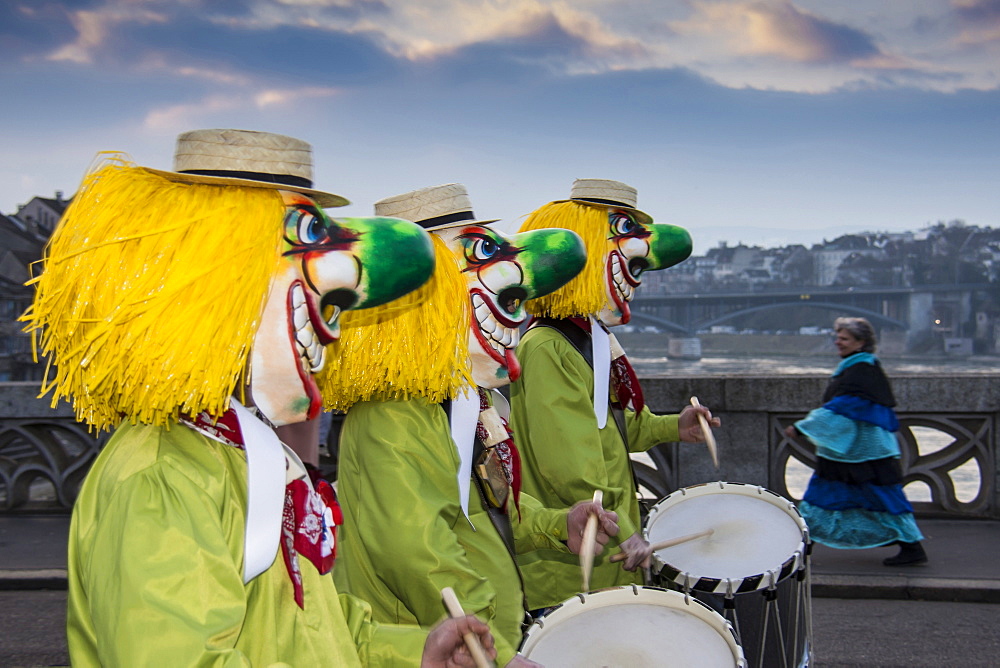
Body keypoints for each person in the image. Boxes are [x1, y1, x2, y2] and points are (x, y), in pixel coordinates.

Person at [24, 129, 496, 666]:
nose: (332, 325)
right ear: (219, 280)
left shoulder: (238, 442)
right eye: (301, 240)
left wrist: (419, 651)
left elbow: (313, 628)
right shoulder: (160, 477)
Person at [319, 183, 618, 666]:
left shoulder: (464, 399)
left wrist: (555, 524)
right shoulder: (391, 418)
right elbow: (420, 558)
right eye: (478, 255)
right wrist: (495, 654)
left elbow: (489, 510)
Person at [507, 178, 720, 611]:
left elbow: (615, 426)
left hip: (606, 545)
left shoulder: (591, 336)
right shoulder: (547, 347)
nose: (634, 281)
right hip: (574, 559)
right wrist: (625, 530)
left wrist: (671, 427)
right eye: (627, 264)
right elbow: (568, 464)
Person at [785, 317, 928, 566]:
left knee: (871, 496)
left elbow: (843, 407)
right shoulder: (859, 367)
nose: (838, 342)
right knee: (828, 496)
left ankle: (912, 546)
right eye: (837, 337)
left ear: (861, 342)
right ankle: (801, 547)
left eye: (844, 338)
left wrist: (802, 427)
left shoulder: (861, 371)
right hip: (854, 451)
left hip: (863, 452)